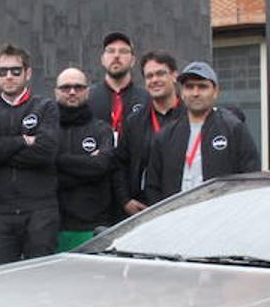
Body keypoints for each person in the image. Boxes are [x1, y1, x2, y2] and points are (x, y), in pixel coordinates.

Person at [0, 43, 60, 266]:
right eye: (3, 71)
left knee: (40, 280)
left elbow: (46, 152)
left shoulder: (46, 107)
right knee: (1, 284)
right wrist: (23, 141)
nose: (9, 76)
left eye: (15, 71)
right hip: (0, 213)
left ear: (27, 73)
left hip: (40, 211)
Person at [144, 62, 260, 205]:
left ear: (215, 91)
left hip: (219, 218)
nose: (195, 93)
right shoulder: (166, 135)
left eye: (202, 86)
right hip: (176, 219)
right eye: (189, 87)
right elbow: (152, 186)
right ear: (181, 92)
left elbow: (251, 178)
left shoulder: (233, 129)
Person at [113, 51, 185, 218]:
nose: (154, 80)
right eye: (149, 76)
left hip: (184, 207)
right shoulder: (134, 122)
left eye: (161, 73)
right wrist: (125, 200)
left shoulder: (191, 116)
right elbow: (119, 164)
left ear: (175, 76)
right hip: (145, 210)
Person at [54, 68, 114, 251]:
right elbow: (43, 171)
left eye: (78, 87)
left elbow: (102, 165)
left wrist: (58, 160)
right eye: (66, 87)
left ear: (87, 91)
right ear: (55, 92)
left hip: (92, 226)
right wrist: (87, 165)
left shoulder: (102, 129)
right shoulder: (47, 129)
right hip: (54, 226)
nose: (72, 92)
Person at [88, 31, 148, 145]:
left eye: (123, 51)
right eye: (111, 51)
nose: (116, 56)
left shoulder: (146, 99)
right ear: (102, 59)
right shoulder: (88, 97)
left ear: (133, 61)